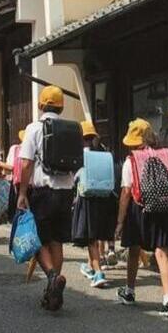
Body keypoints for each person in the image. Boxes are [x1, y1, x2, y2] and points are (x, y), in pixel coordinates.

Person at [115, 118, 168, 318]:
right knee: (162, 252)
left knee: (134, 249)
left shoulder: (131, 161)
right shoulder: (164, 155)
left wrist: (120, 221)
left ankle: (129, 291)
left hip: (139, 208)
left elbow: (126, 192)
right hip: (163, 208)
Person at [17, 85, 75, 312]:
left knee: (37, 240)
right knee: (56, 241)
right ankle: (53, 292)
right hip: (66, 191)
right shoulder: (72, 128)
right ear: (61, 106)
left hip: (44, 192)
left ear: (41, 105)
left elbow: (26, 163)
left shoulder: (34, 128)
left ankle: (52, 278)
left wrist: (22, 192)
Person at [72, 120, 116, 288]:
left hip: (87, 198)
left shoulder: (79, 155)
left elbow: (75, 177)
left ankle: (98, 272)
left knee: (91, 238)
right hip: (103, 197)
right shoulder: (102, 153)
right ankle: (90, 266)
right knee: (97, 235)